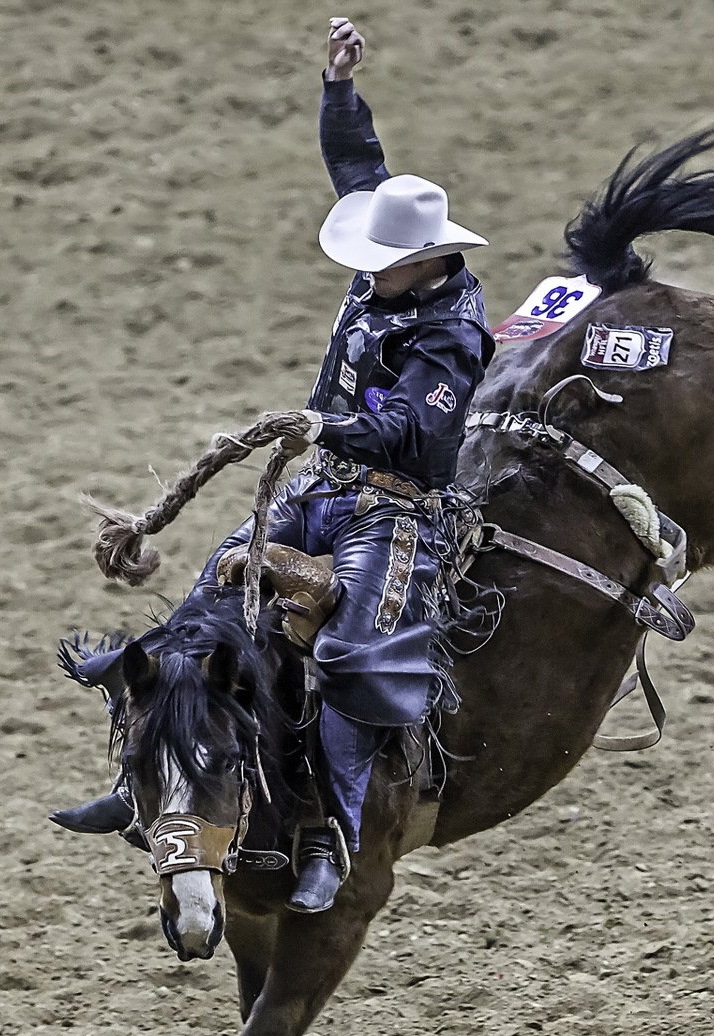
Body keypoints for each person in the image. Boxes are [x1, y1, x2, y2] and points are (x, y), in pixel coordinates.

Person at [53, 17, 495, 913]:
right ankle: (147, 783)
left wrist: (324, 423)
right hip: (323, 490)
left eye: (381, 263)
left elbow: (420, 437)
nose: (364, 272)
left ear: (421, 261)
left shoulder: (449, 337)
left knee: (354, 659)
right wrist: (338, 88)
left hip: (395, 511)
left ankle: (332, 828)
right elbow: (356, 167)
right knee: (198, 613)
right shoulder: (397, 275)